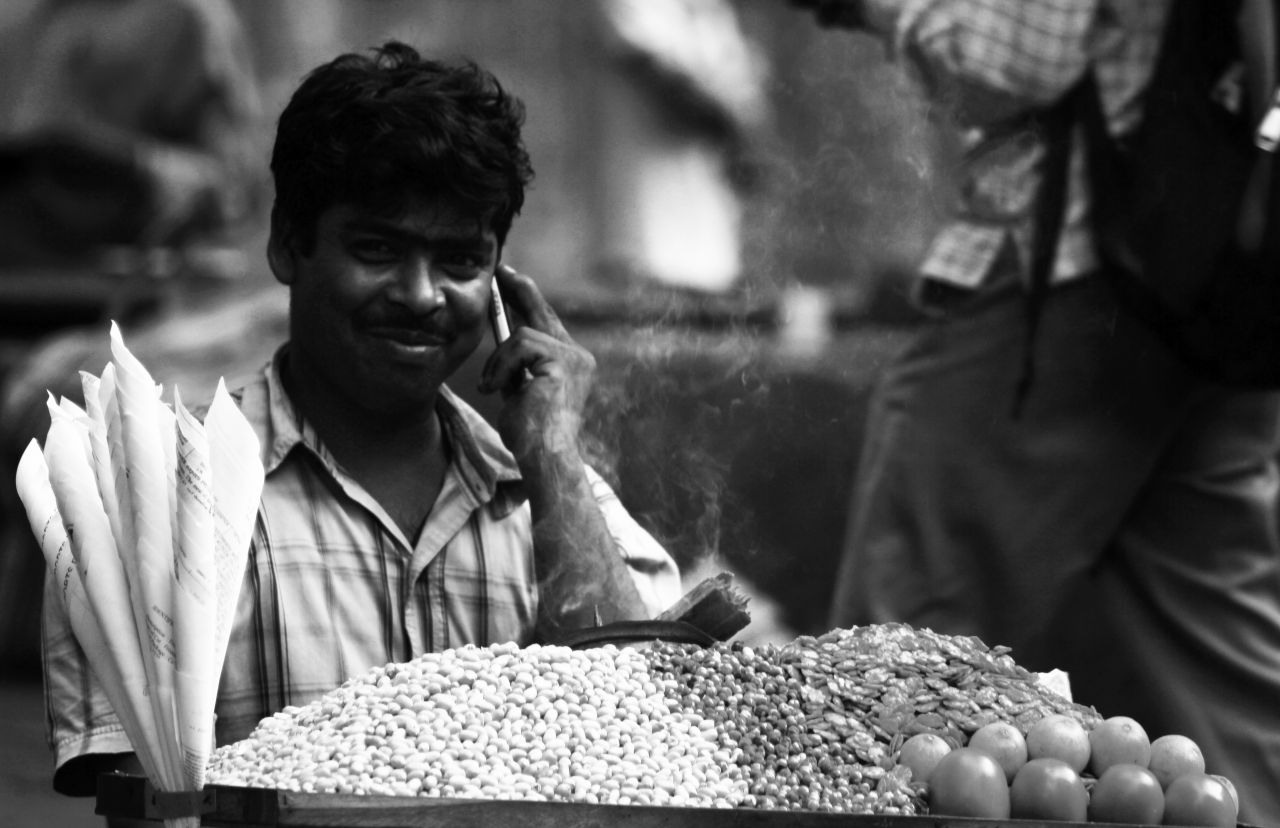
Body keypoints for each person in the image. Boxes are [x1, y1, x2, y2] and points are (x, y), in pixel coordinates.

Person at [40, 41, 683, 808]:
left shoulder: (549, 494)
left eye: (460, 261)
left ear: (502, 280)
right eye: (377, 249)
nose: (420, 295)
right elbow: (142, 804)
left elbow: (646, 750)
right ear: (288, 244)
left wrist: (550, 450)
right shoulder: (157, 502)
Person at [796, 1, 1280, 823]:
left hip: (1078, 285)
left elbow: (1020, 52)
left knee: (900, 657)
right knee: (1220, 666)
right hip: (1231, 285)